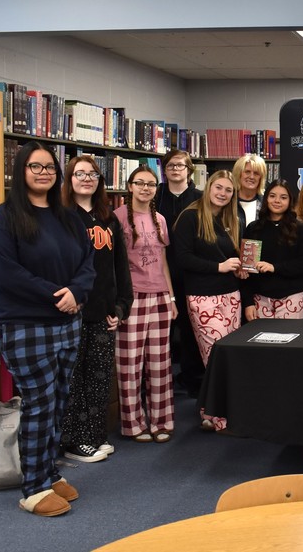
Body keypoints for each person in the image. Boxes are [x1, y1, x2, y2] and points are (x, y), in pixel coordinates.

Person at [0, 141, 95, 517]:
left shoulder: (68, 217)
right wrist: (55, 295)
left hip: (66, 321)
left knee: (59, 400)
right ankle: (32, 488)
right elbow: (5, 273)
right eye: (36, 166)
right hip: (23, 324)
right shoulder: (4, 217)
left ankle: (47, 472)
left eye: (50, 167)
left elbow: (87, 262)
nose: (44, 173)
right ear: (21, 171)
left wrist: (76, 291)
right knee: (39, 403)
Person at [60, 156, 132, 463]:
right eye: (79, 174)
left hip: (104, 313)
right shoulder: (61, 217)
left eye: (92, 174)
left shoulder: (109, 218)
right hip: (72, 313)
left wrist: (121, 306)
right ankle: (73, 441)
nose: (86, 179)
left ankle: (93, 435)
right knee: (74, 378)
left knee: (100, 378)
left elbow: (120, 267)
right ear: (69, 179)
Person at [173, 170, 244, 431]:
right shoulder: (190, 217)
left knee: (229, 355)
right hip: (203, 297)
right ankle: (212, 412)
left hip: (231, 295)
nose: (223, 193)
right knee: (214, 355)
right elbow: (182, 258)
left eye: (228, 190)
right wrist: (219, 267)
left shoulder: (229, 219)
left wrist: (236, 267)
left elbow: (228, 258)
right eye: (219, 187)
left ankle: (221, 408)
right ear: (209, 186)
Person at [113, 165, 176, 444]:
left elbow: (163, 262)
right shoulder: (117, 218)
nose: (145, 188)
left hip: (160, 296)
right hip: (133, 298)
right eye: (140, 183)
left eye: (151, 184)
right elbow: (113, 264)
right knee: (130, 365)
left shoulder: (160, 219)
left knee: (160, 363)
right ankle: (133, 423)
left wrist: (171, 298)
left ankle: (161, 421)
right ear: (130, 186)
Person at [154, 148, 204, 398]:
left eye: (180, 165)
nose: (175, 169)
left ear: (189, 169)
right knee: (159, 329)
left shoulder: (199, 198)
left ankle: (191, 377)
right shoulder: (154, 194)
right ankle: (159, 381)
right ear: (164, 170)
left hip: (190, 271)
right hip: (157, 270)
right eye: (170, 165)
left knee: (189, 327)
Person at [241, 179, 303, 320]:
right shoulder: (253, 228)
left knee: (289, 341)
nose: (277, 201)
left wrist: (274, 267)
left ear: (290, 201)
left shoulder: (300, 228)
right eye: (272, 196)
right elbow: (246, 271)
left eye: (283, 197)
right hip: (259, 299)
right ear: (266, 198)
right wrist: (248, 302)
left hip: (292, 297)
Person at [232, 153, 266, 228]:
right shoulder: (228, 201)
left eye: (256, 173)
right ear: (239, 174)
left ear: (261, 178)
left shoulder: (266, 203)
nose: (251, 177)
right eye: (247, 172)